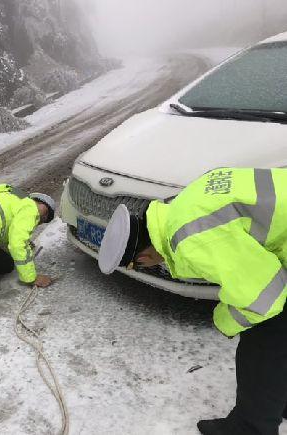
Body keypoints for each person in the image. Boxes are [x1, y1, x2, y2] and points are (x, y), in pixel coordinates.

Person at [98, 167, 287, 435]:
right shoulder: (182, 205)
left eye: (138, 264)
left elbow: (265, 295)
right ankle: (277, 400)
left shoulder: (189, 239)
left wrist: (225, 319)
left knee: (263, 340)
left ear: (141, 258)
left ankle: (251, 428)